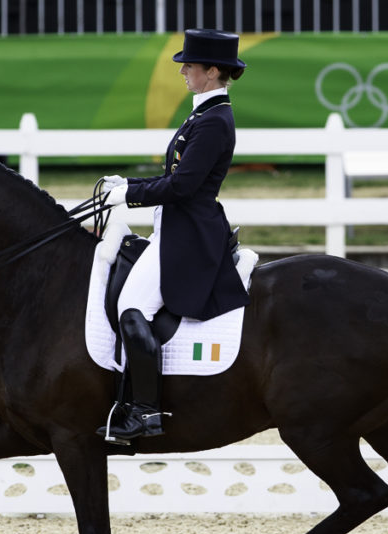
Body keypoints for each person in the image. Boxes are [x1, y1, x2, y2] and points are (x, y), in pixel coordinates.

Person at [97, 28, 250, 442]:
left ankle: (144, 412)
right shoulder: (203, 114)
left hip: (189, 235)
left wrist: (128, 195)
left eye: (191, 65)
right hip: (175, 227)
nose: (183, 71)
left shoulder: (215, 121)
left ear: (213, 71)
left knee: (132, 306)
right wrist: (125, 182)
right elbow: (174, 177)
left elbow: (182, 188)